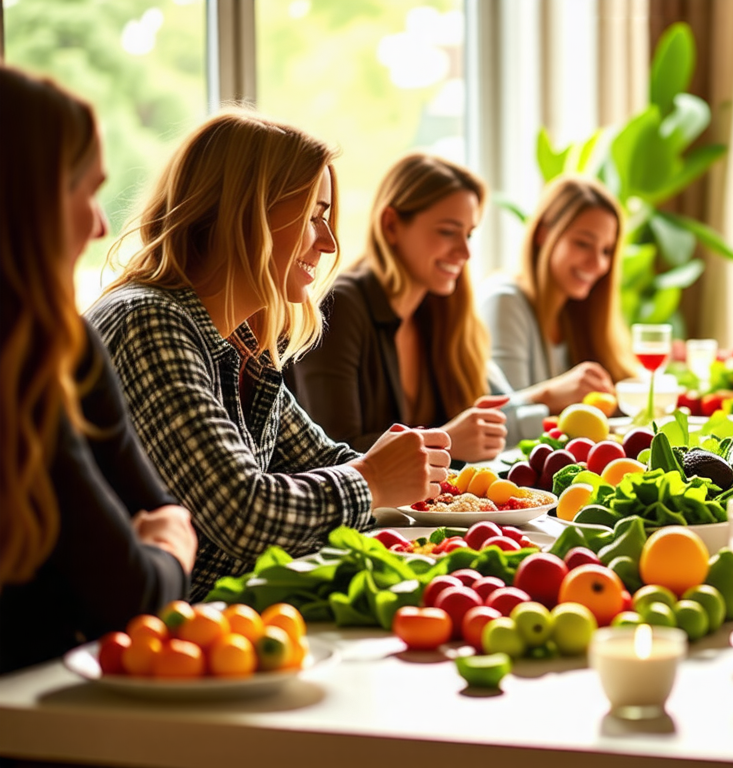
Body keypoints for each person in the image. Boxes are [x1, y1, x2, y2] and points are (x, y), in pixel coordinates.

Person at [86, 112, 451, 601]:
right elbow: (244, 514)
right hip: (157, 643)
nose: (328, 243)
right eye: (312, 216)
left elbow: (324, 459)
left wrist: (436, 489)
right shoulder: (147, 321)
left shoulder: (243, 343)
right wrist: (373, 480)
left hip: (226, 624)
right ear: (245, 212)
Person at [0, 65, 196, 673]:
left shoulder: (61, 340)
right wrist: (163, 546)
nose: (100, 223)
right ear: (27, 199)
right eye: (84, 191)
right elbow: (134, 589)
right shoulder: (37, 355)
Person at [289, 153, 549, 457]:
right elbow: (331, 453)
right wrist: (445, 440)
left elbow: (495, 412)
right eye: (448, 231)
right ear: (391, 225)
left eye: (468, 234)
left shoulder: (441, 312)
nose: (465, 251)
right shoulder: (341, 308)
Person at [478, 175, 637, 405]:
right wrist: (551, 395)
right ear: (544, 234)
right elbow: (500, 416)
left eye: (606, 251)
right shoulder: (504, 301)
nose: (598, 264)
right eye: (583, 243)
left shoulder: (577, 309)